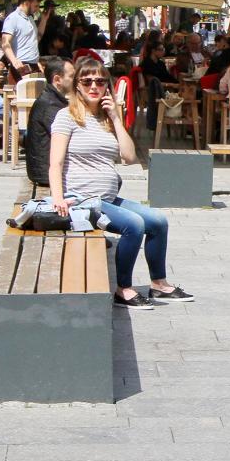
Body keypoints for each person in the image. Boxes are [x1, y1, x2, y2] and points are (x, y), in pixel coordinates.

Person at [48, 58, 193, 310]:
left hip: (108, 198)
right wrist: (58, 198)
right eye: (87, 81)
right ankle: (123, 289)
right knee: (134, 225)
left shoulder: (106, 119)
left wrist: (116, 117)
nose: (94, 86)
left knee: (158, 221)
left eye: (101, 81)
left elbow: (129, 157)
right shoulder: (66, 116)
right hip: (82, 200)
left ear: (108, 86)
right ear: (78, 86)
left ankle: (158, 283)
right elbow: (55, 163)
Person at [24, 57, 75, 187]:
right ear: (57, 79)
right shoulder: (50, 105)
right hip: (46, 173)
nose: (76, 81)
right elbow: (71, 138)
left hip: (46, 170)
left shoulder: (52, 99)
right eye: (72, 76)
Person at [1, 0, 47, 83]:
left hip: (33, 65)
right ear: (26, 3)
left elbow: (37, 38)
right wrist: (14, 61)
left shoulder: (30, 18)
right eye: (36, 6)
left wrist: (44, 20)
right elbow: (5, 43)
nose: (37, 9)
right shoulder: (12, 18)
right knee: (20, 97)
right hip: (20, 66)